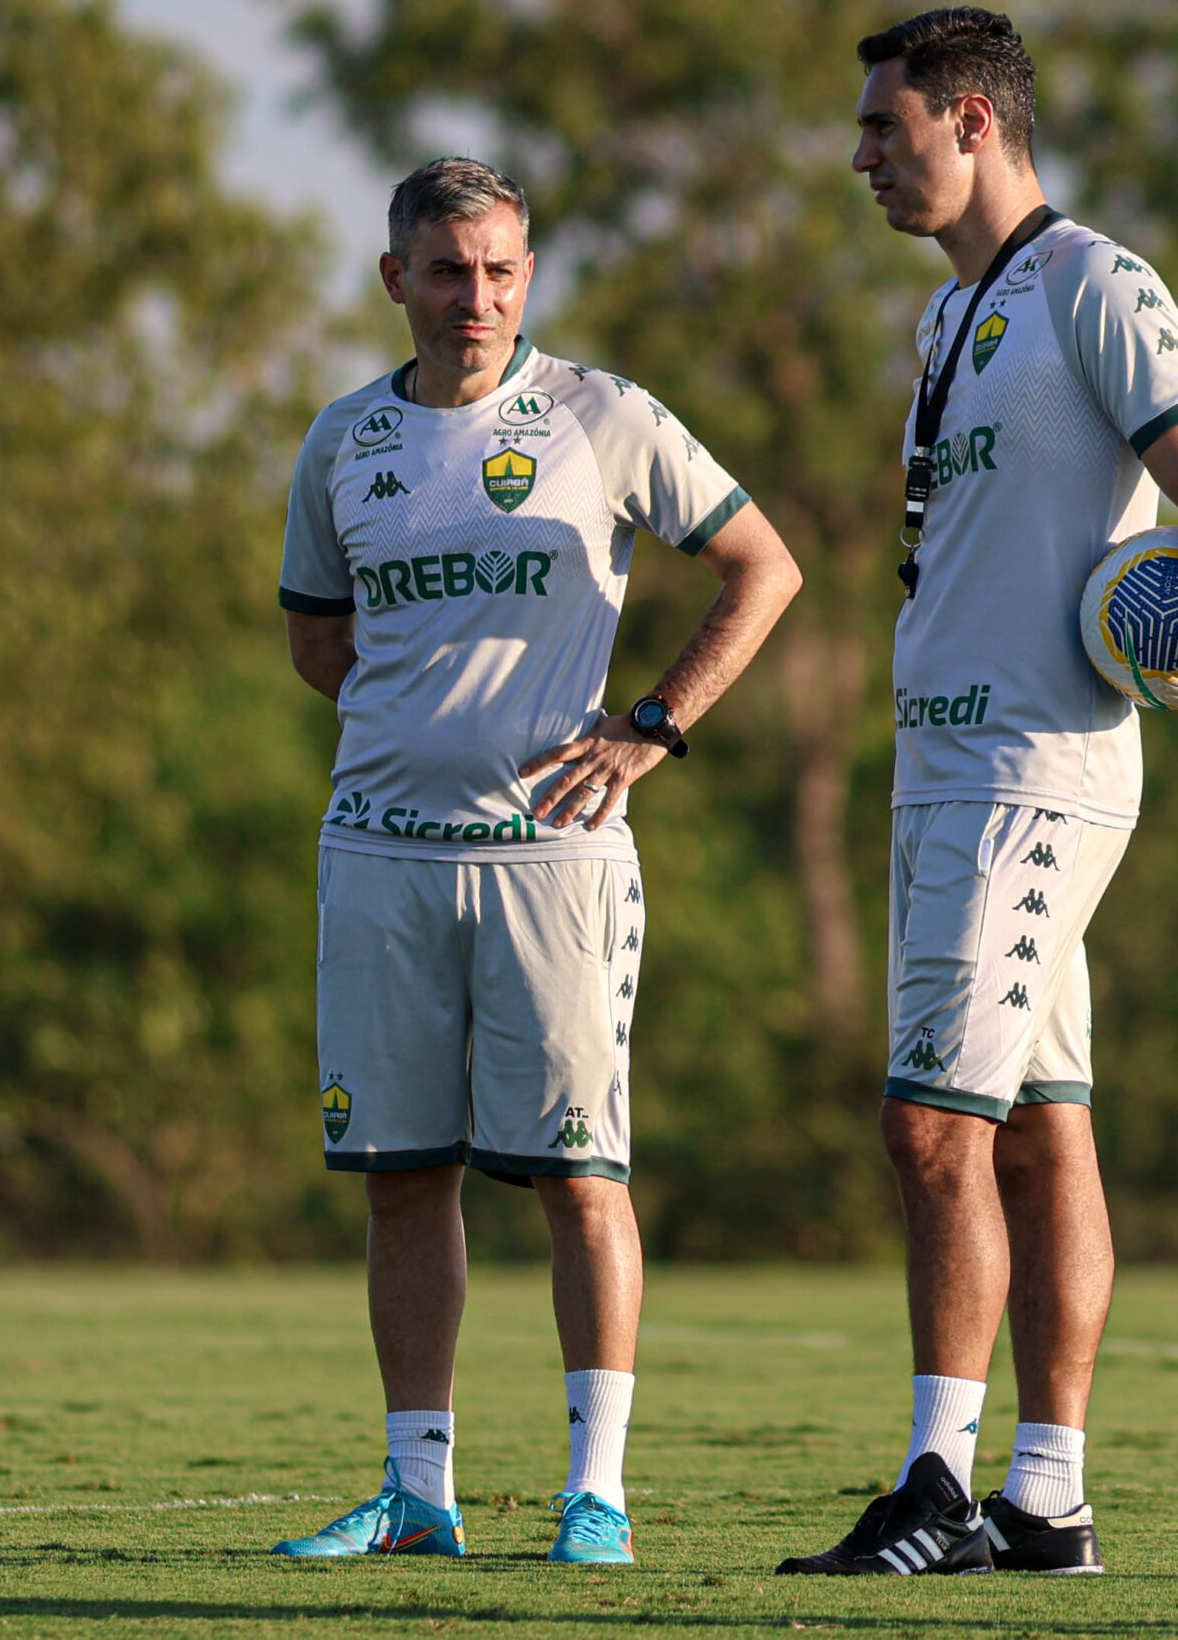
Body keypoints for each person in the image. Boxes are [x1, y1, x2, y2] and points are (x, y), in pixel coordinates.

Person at [778, 8, 1178, 1577]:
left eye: (889, 126)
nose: (865, 156)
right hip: (946, 768)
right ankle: (1047, 1495)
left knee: (929, 1128)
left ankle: (934, 1481)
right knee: (1039, 1134)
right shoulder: (950, 322)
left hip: (1034, 776)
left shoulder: (1095, 285)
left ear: (978, 121)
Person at [270, 158, 802, 1565]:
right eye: (448, 270)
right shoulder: (341, 443)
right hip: (379, 854)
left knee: (580, 1177)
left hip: (554, 860)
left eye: (502, 270)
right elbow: (320, 638)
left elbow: (766, 566)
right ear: (396, 279)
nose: (478, 298)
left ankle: (596, 1494)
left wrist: (653, 725)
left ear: (529, 276)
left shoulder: (600, 415)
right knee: (401, 1175)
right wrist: (421, 727)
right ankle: (419, 1491)